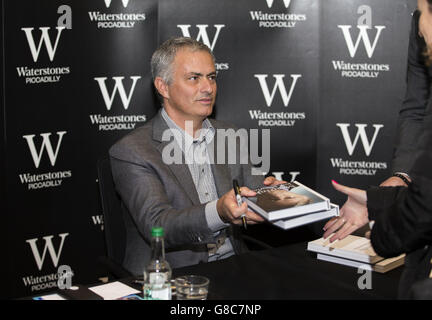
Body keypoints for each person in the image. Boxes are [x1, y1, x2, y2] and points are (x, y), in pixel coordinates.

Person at [109, 37, 282, 276]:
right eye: (194, 78)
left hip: (235, 266)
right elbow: (158, 226)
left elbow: (251, 192)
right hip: (171, 276)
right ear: (163, 86)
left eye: (211, 77)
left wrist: (270, 194)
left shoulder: (228, 134)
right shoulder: (133, 150)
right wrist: (219, 211)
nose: (208, 88)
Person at [323, 0, 432, 298]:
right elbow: (417, 108)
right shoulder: (418, 24)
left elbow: (416, 215)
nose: (421, 23)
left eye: (423, 11)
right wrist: (397, 183)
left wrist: (386, 217)